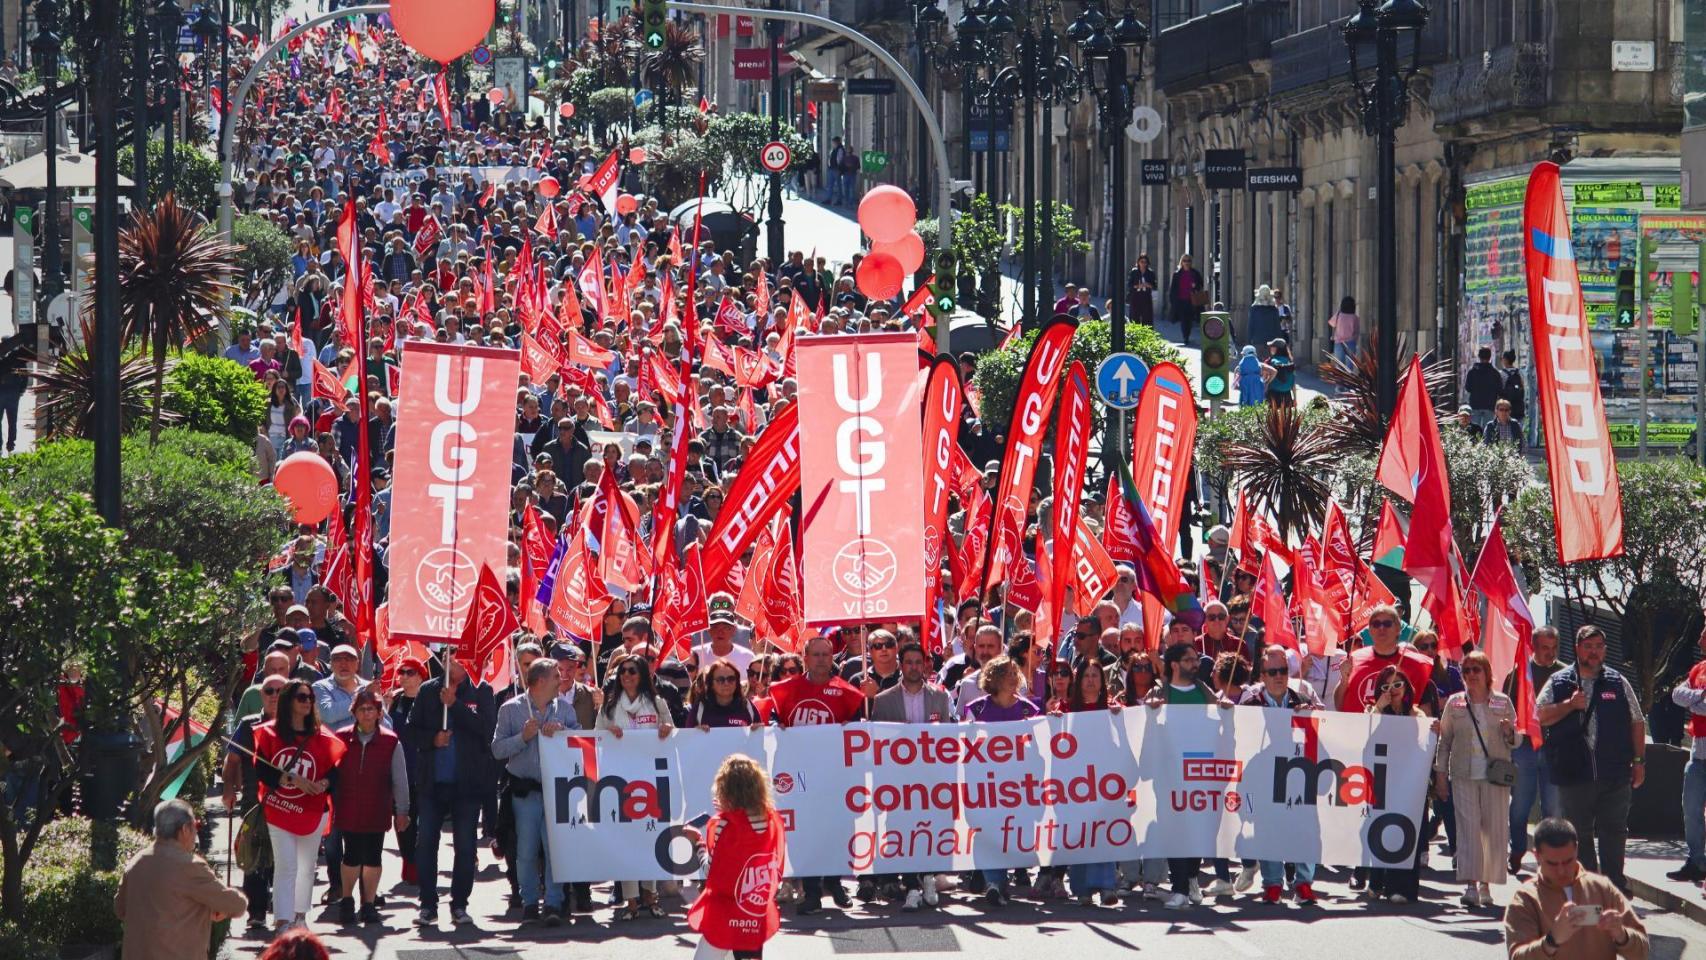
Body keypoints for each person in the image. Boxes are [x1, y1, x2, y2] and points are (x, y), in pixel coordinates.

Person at [1536, 626, 1646, 892]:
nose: (1594, 651)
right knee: (1579, 834)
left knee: (1615, 830)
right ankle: (1587, 888)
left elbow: (1637, 721)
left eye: (1598, 646)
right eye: (1588, 646)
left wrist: (1639, 761)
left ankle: (1612, 886)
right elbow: (1538, 716)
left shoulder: (1618, 681)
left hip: (1615, 773)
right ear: (1577, 649)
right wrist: (1569, 705)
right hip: (1574, 773)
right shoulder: (1559, 681)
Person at [767, 634, 864, 913]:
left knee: (835, 831)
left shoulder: (847, 692)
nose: (822, 660)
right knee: (806, 833)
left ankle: (834, 883)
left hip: (833, 776)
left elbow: (857, 731)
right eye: (816, 655)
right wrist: (777, 725)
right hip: (798, 778)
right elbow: (773, 718)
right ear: (805, 658)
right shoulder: (784, 690)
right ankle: (811, 892)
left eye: (826, 654)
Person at [406, 656, 496, 927]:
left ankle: (459, 904)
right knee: (427, 845)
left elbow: (486, 730)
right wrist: (432, 739)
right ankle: (427, 904)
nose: (452, 664)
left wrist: (455, 706)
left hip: (467, 785)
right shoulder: (427, 690)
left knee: (466, 847)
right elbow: (411, 731)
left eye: (458, 660)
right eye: (448, 659)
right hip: (432, 784)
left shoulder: (482, 690)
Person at [252, 678, 347, 932]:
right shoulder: (270, 733)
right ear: (288, 702)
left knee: (306, 867)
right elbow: (261, 769)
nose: (307, 702)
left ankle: (300, 917)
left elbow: (336, 769)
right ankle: (282, 920)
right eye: (301, 697)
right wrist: (290, 778)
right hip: (279, 809)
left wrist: (324, 783)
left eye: (310, 698)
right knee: (286, 865)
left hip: (314, 811)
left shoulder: (322, 736)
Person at [1144, 641, 1234, 908]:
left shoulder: (1204, 691)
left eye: (1196, 659)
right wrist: (1150, 711)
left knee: (1200, 832)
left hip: (1200, 776)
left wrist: (1225, 709)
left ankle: (1192, 876)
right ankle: (1180, 888)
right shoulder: (1162, 693)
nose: (1196, 664)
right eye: (1189, 660)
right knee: (1174, 831)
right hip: (1169, 777)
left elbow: (1221, 716)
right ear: (1174, 665)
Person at [1237, 645, 1323, 902]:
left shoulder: (1303, 700)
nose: (1278, 676)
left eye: (1283, 670)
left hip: (1298, 776)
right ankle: (1272, 883)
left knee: (1305, 829)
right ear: (1262, 675)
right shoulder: (1250, 704)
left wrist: (1314, 718)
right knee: (1268, 828)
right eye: (1272, 671)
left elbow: (1324, 734)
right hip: (1264, 778)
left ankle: (1304, 883)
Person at [492, 656, 575, 925]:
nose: (561, 680)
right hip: (524, 792)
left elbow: (582, 742)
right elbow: (497, 749)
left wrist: (562, 733)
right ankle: (529, 902)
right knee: (526, 850)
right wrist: (522, 738)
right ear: (540, 681)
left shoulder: (564, 708)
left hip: (556, 790)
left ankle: (553, 902)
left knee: (555, 850)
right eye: (555, 676)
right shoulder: (510, 710)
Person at [1435, 650, 1519, 908]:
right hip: (1463, 774)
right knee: (1468, 829)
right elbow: (1445, 740)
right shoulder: (1455, 703)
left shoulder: (1503, 702)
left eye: (1476, 670)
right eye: (1467, 670)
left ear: (1487, 674)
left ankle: (1486, 884)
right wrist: (1441, 775)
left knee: (1493, 830)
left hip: (1495, 776)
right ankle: (1471, 885)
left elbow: (1516, 741)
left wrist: (1509, 731)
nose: (1471, 675)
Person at [869, 640, 949, 910]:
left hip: (931, 778)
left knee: (928, 829)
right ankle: (912, 885)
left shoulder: (940, 696)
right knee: (902, 831)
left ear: (925, 664)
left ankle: (927, 877)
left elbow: (947, 737)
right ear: (901, 666)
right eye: (909, 662)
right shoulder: (883, 700)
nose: (914, 667)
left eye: (918, 662)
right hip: (899, 780)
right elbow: (877, 741)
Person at [115, 799, 248, 960]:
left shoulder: (136, 862)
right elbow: (237, 905)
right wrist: (216, 910)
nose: (196, 834)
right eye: (196, 826)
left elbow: (120, 908)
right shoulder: (189, 866)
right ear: (185, 829)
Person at [685, 754, 786, 960]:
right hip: (754, 911)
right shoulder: (770, 818)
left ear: (726, 789)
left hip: (725, 911)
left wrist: (698, 843)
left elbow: (711, 871)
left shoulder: (723, 824)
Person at [1503, 818, 1648, 960]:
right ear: (1537, 856)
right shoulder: (1525, 898)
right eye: (1552, 863)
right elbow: (1517, 956)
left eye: (1567, 861)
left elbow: (1643, 951)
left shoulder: (1602, 888)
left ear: (1576, 849)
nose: (1561, 871)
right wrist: (1551, 941)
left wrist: (1622, 935)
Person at [599, 652, 675, 919]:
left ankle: (651, 897)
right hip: (620, 783)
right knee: (626, 841)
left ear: (642, 674)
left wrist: (666, 728)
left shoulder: (655, 703)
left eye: (632, 671)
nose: (627, 676)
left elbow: (672, 732)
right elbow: (596, 738)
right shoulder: (609, 705)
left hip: (651, 782)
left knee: (651, 838)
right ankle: (630, 901)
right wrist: (608, 733)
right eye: (622, 671)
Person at [331, 688, 408, 925]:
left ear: (378, 713)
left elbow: (400, 779)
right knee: (351, 855)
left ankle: (369, 903)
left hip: (377, 808)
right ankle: (347, 900)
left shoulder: (390, 741)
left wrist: (402, 810)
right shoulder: (341, 738)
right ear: (354, 712)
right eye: (362, 709)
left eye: (371, 709)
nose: (366, 714)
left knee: (373, 856)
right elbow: (330, 772)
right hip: (348, 807)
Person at [1055, 657, 1122, 906]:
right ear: (1078, 681)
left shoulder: (1113, 708)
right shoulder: (1064, 710)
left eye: (1096, 675)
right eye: (1086, 675)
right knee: (1081, 835)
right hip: (1076, 784)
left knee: (1102, 832)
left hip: (1105, 783)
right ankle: (1082, 889)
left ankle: (1106, 887)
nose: (1091, 680)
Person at [223, 673, 284, 933]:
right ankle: (256, 913)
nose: (274, 696)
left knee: (282, 860)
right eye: (269, 691)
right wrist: (227, 789)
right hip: (254, 803)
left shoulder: (296, 725)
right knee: (254, 857)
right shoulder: (248, 726)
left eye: (280, 691)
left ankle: (280, 909)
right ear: (261, 695)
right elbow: (232, 760)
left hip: (287, 804)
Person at [1365, 665, 1427, 903]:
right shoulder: (1375, 711)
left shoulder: (1417, 715)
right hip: (1382, 781)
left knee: (1405, 831)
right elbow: (1364, 733)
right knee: (1382, 829)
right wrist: (1379, 707)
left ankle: (1401, 887)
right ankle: (1376, 880)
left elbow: (1425, 744)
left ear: (1407, 687)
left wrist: (1434, 730)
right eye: (1386, 686)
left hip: (1409, 783)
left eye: (1398, 685)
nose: (1393, 690)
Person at [1511, 625, 1567, 875]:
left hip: (1555, 750)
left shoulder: (1565, 675)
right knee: (1521, 804)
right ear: (1534, 646)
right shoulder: (1520, 674)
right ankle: (1517, 849)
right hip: (1524, 748)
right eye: (1545, 648)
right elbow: (1507, 709)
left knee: (1553, 808)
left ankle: (1549, 857)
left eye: (1554, 648)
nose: (1550, 653)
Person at [1668, 626, 1706, 882]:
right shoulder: (1698, 669)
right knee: (1690, 809)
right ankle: (1696, 861)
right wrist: (1700, 695)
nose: (1700, 637)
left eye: (1705, 633)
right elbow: (1676, 695)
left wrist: (1696, 701)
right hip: (1698, 754)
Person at [690, 657, 763, 728]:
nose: (726, 683)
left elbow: (760, 738)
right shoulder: (700, 708)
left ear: (737, 682)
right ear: (711, 684)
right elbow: (686, 738)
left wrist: (758, 730)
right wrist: (696, 732)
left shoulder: (747, 707)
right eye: (720, 679)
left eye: (731, 679)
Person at [1166, 253, 1205, 343]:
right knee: (1183, 319)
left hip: (1192, 300)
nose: (1186, 263)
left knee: (1189, 318)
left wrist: (1195, 286)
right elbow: (1173, 288)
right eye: (1184, 261)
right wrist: (1172, 300)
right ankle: (1185, 336)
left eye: (1188, 261)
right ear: (1181, 262)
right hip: (1180, 300)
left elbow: (1200, 285)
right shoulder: (1177, 274)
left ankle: (1187, 333)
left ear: (1191, 262)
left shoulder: (1195, 273)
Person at [1466, 346, 1504, 430]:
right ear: (1490, 357)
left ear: (1479, 357)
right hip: (1490, 405)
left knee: (1475, 431)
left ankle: (1475, 443)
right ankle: (1486, 443)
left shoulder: (1472, 372)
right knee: (1488, 431)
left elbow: (1468, 388)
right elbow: (1500, 390)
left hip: (1475, 405)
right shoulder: (1495, 373)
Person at [1327, 295, 1360, 366]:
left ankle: (1339, 377)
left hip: (1339, 343)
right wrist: (1354, 340)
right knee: (1349, 366)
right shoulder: (1355, 318)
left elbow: (1331, 323)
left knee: (1339, 365)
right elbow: (1357, 331)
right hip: (1351, 342)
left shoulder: (1339, 315)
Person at [1263, 338, 1296, 407]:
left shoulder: (1271, 361)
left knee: (1272, 416)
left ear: (1277, 348)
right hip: (1287, 395)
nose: (1270, 348)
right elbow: (1293, 383)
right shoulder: (1290, 362)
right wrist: (1295, 399)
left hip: (1273, 394)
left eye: (1272, 346)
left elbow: (1265, 377)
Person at [1128, 254, 1156, 327]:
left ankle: (1147, 334)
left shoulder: (1150, 273)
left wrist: (1148, 285)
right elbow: (1129, 284)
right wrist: (1137, 286)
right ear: (1138, 262)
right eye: (1141, 262)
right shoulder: (1134, 272)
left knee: (1147, 318)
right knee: (1134, 317)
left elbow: (1155, 286)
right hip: (1135, 297)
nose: (1143, 264)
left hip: (1146, 297)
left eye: (1145, 262)